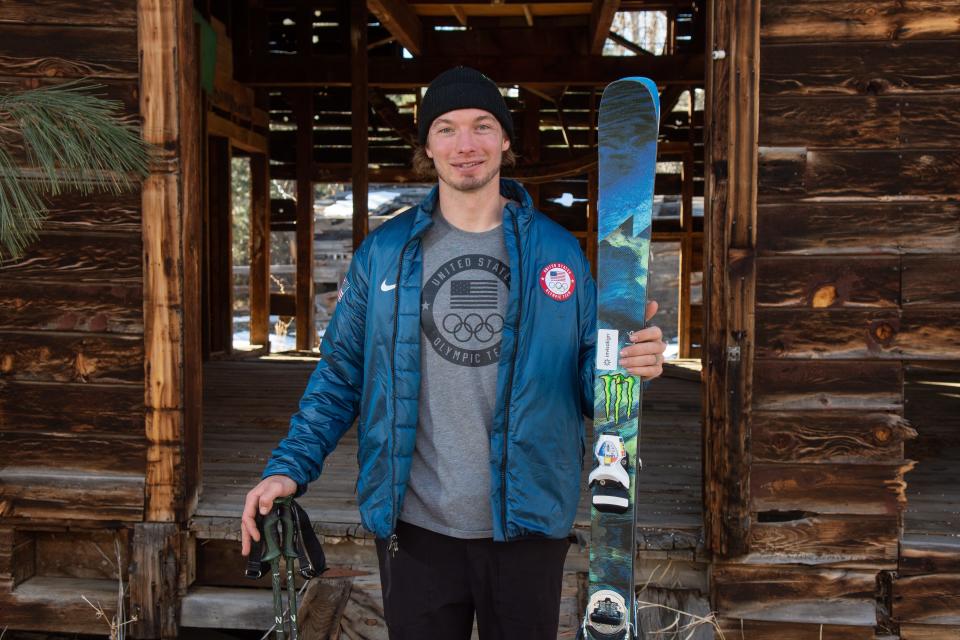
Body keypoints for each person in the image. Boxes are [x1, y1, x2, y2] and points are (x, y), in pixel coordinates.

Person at [241, 66, 667, 640]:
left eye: (482, 126)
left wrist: (629, 366)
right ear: (427, 147)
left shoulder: (557, 252)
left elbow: (593, 390)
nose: (466, 145)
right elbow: (341, 376)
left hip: (528, 527)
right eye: (446, 129)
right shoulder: (384, 254)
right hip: (416, 529)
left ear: (506, 140)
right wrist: (288, 468)